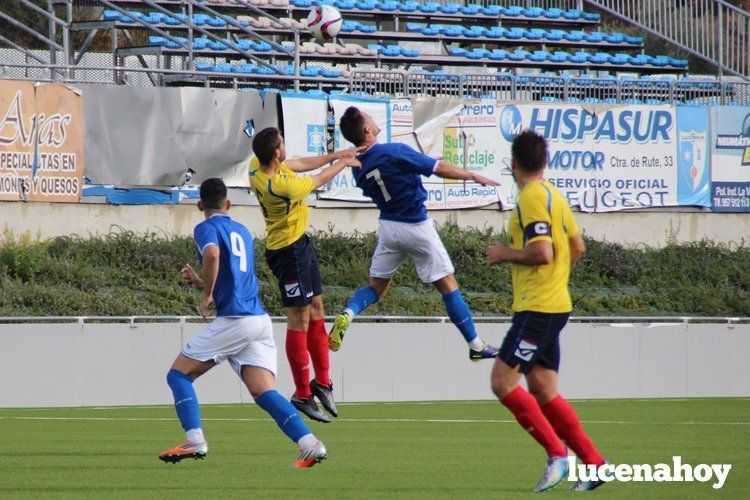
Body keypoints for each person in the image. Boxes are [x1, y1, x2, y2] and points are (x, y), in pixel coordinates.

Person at [159, 178, 327, 468]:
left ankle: (195, 439)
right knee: (263, 391)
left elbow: (212, 254)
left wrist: (207, 294)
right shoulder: (243, 231)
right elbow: (234, 275)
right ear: (228, 204)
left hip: (236, 319)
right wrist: (203, 282)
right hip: (258, 321)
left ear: (200, 205)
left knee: (178, 376)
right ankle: (310, 445)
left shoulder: (205, 227)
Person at [486, 130, 607, 492]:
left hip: (537, 309)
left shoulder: (531, 197)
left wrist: (505, 253)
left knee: (501, 382)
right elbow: (578, 247)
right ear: (545, 161)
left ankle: (557, 454)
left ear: (513, 163)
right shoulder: (555, 193)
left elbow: (543, 253)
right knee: (542, 389)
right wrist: (557, 280)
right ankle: (595, 464)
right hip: (555, 305)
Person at [329, 106, 499, 361]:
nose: (374, 120)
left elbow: (390, 176)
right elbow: (438, 168)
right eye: (370, 117)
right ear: (367, 129)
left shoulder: (357, 166)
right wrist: (472, 175)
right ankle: (475, 345)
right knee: (448, 286)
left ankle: (349, 312)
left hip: (389, 228)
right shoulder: (394, 150)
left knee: (376, 287)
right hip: (416, 226)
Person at [250, 127, 361, 423]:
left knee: (317, 310)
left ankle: (322, 383)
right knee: (298, 319)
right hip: (287, 253)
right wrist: (342, 163)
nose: (286, 148)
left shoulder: (256, 166)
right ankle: (302, 393)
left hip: (300, 245)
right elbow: (316, 179)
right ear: (275, 153)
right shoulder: (282, 186)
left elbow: (299, 163)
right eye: (283, 144)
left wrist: (336, 154)